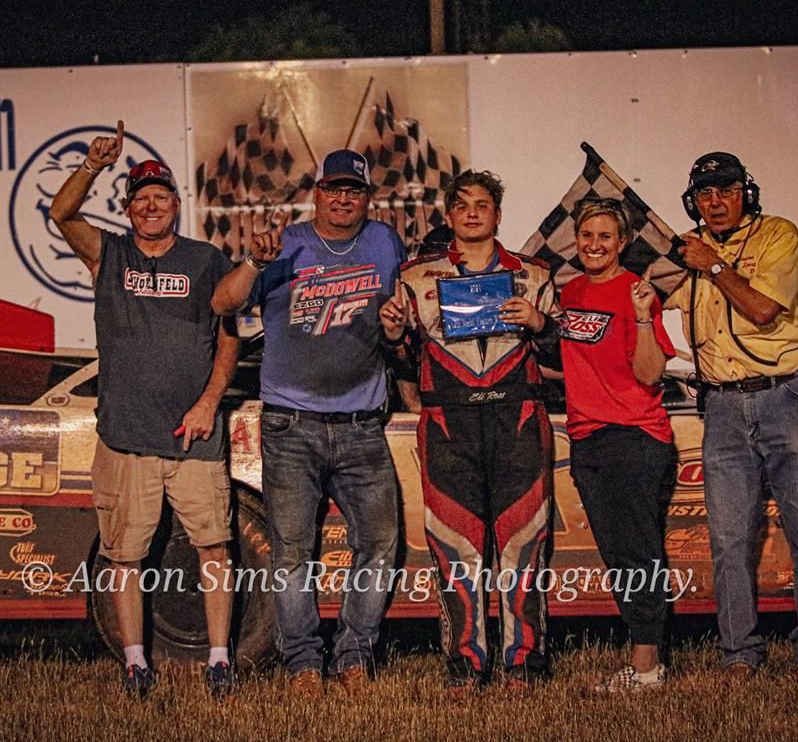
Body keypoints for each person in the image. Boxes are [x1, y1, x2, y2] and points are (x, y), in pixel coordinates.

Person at [49, 121, 240, 700]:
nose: (151, 206)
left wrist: (210, 401)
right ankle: (135, 662)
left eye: (161, 197)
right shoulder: (109, 254)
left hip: (193, 436)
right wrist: (92, 165)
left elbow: (229, 336)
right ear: (128, 209)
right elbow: (62, 215)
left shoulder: (206, 260)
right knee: (123, 553)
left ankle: (219, 659)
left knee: (215, 546)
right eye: (141, 199)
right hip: (125, 437)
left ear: (177, 206)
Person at [211, 149, 404, 697]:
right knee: (292, 551)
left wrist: (396, 324)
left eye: (355, 191)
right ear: (316, 192)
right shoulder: (284, 244)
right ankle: (301, 663)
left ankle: (354, 654)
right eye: (333, 188)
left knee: (381, 543)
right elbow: (221, 302)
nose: (343, 199)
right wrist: (253, 261)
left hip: (363, 423)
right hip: (290, 425)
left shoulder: (385, 243)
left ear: (367, 197)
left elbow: (396, 320)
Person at [378, 170, 557, 695]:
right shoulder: (414, 278)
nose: (473, 213)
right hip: (447, 420)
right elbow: (403, 361)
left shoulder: (536, 275)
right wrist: (391, 331)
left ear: (498, 215)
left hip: (518, 417)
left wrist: (541, 325)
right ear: (450, 216)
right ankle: (465, 663)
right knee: (454, 545)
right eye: (463, 206)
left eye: (484, 205)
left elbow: (565, 358)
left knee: (524, 542)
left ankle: (524, 661)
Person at [665, 151, 798, 678]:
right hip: (721, 404)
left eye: (726, 190)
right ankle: (739, 652)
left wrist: (713, 266)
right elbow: (653, 304)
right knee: (728, 537)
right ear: (693, 201)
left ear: (747, 192)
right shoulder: (690, 253)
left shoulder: (777, 235)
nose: (715, 202)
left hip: (788, 396)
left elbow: (764, 309)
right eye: (705, 193)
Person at [556, 198, 677, 692]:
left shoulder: (637, 293)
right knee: (617, 554)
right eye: (587, 235)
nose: (594, 244)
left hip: (635, 436)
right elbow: (568, 363)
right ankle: (643, 657)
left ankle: (648, 666)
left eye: (606, 236)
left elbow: (650, 373)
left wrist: (644, 317)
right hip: (586, 439)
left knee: (637, 552)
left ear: (622, 243)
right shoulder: (571, 293)